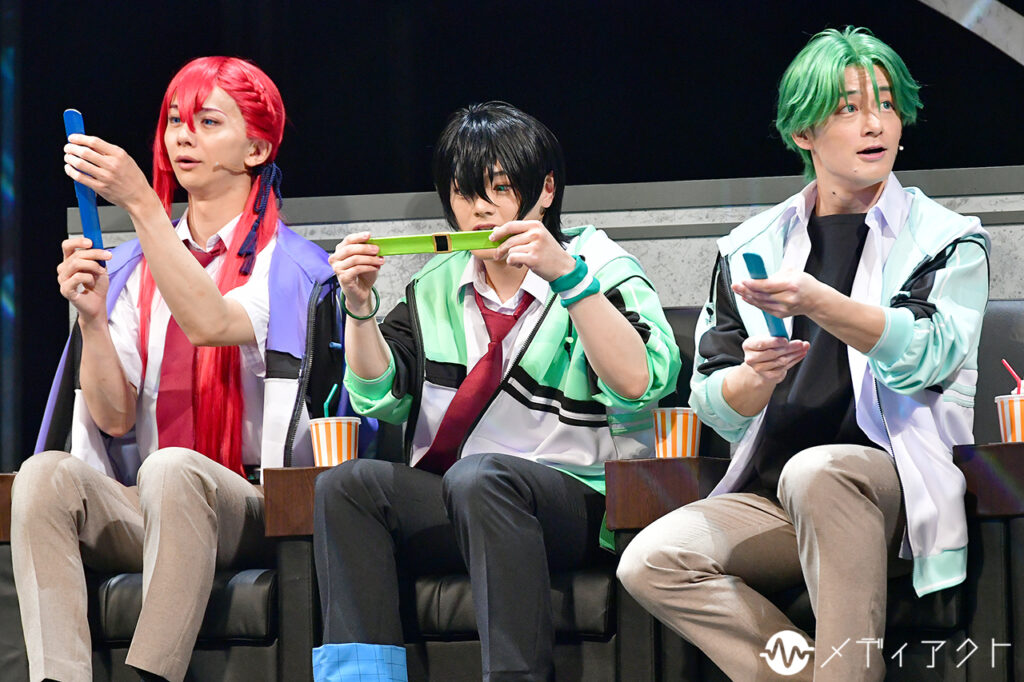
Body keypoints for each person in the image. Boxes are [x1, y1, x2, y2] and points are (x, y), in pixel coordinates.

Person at [617, 26, 989, 681]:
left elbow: (926, 356)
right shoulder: (752, 247)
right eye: (848, 108)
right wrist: (753, 381)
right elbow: (712, 396)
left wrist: (821, 302)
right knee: (653, 561)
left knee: (819, 472)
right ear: (802, 133)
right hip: (776, 496)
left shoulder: (947, 240)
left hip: (895, 488)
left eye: (887, 104)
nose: (875, 123)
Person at [15, 56, 361, 682]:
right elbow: (113, 417)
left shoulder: (291, 268)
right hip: (148, 499)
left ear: (257, 149)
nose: (183, 136)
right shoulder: (131, 267)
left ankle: (152, 675)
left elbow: (209, 322)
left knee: (173, 468)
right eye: (175, 120)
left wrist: (142, 205)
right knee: (44, 478)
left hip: (253, 506)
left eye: (208, 121)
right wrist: (93, 322)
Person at [314, 101, 680, 681]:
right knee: (346, 486)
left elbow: (641, 382)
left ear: (547, 189)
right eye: (464, 192)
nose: (479, 208)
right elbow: (380, 397)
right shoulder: (433, 285)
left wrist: (570, 280)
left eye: (501, 187)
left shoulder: (602, 268)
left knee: (482, 477)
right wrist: (359, 308)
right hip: (458, 494)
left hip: (574, 500)